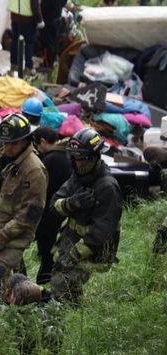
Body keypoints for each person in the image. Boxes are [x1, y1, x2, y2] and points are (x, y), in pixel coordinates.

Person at [49, 128, 122, 305]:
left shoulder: (107, 188)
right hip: (70, 242)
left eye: (84, 158)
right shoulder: (77, 176)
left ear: (96, 156)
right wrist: (71, 203)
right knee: (55, 279)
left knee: (62, 284)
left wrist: (72, 255)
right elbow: (54, 205)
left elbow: (101, 233)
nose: (79, 163)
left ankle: (70, 319)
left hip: (94, 253)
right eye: (75, 158)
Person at [0, 113, 48, 294]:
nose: (8, 147)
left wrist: (4, 234)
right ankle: (21, 291)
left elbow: (30, 214)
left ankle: (0, 304)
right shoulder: (3, 157)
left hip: (17, 231)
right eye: (5, 142)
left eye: (13, 143)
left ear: (25, 140)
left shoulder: (34, 170)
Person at [32, 126, 72, 284]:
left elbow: (41, 190)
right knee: (48, 251)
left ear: (42, 142)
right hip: (59, 212)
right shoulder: (65, 155)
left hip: (47, 214)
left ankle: (42, 284)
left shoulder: (51, 159)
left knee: (46, 252)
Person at [9, 0, 45, 74]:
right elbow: (35, 6)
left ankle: (13, 65)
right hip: (28, 20)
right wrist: (40, 21)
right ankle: (28, 67)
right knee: (29, 43)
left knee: (15, 41)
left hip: (14, 16)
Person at [39, 0, 68, 67]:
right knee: (54, 42)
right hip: (58, 19)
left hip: (48, 22)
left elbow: (42, 9)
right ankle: (50, 62)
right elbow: (64, 2)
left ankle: (47, 64)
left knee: (47, 43)